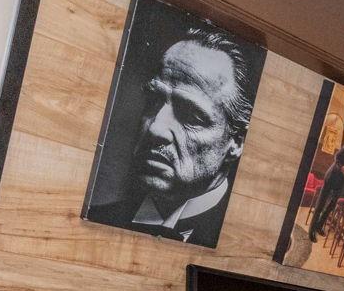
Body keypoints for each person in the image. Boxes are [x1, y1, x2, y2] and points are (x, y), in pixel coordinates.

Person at [86, 24, 255, 244]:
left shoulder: (244, 243)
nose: (156, 129)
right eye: (154, 101)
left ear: (236, 142)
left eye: (192, 116)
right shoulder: (97, 218)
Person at [308, 131, 344, 242]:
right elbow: (337, 157)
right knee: (321, 203)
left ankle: (319, 225)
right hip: (331, 176)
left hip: (341, 182)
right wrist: (343, 167)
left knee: (331, 206)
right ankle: (311, 230)